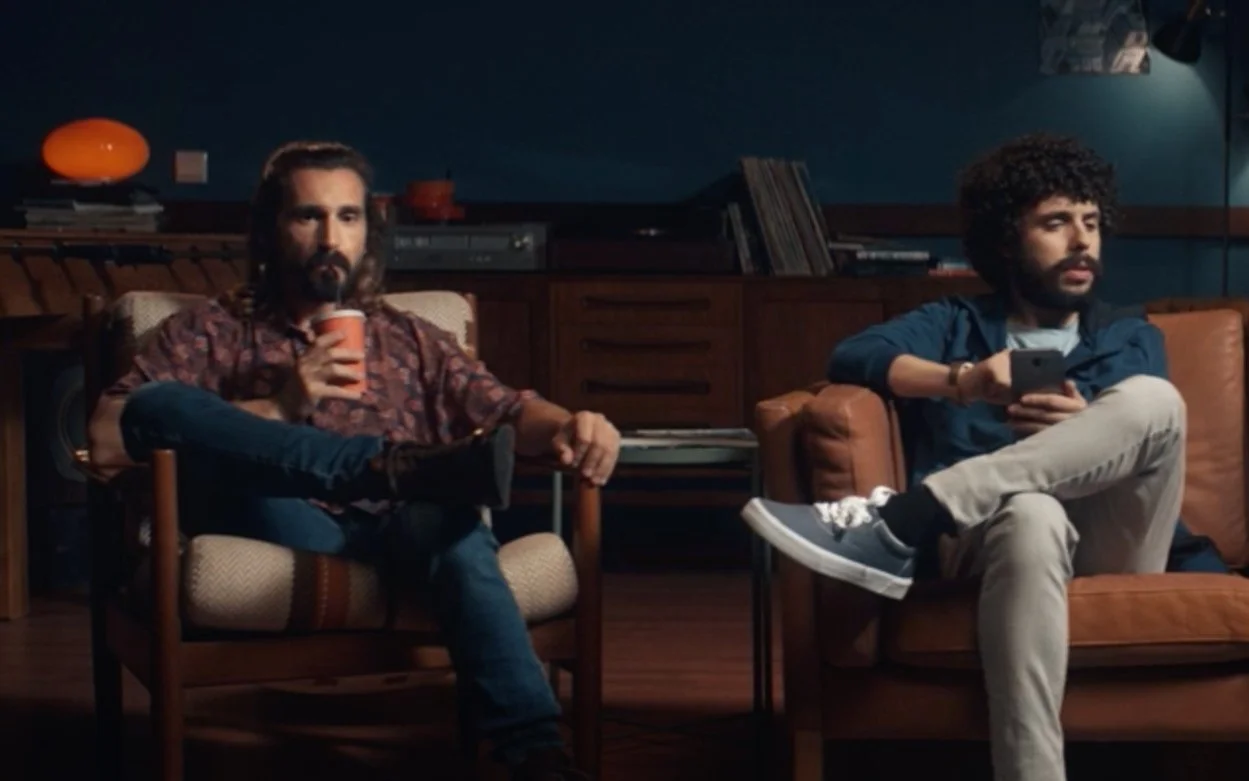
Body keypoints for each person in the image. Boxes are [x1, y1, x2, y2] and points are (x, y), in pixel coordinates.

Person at [87, 140, 620, 781]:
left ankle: (539, 760)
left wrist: (571, 423)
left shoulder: (408, 335)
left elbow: (509, 411)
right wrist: (281, 404)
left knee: (451, 524)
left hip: (406, 520)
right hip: (286, 521)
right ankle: (376, 465)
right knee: (157, 405)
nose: (330, 238)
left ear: (368, 231)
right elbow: (110, 433)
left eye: (348, 216)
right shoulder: (211, 329)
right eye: (308, 216)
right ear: (271, 228)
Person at [739, 133, 1228, 781]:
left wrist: (1087, 424)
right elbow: (853, 356)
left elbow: (1145, 437)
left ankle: (909, 516)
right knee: (1030, 512)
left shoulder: (1126, 333)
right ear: (1005, 238)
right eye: (1055, 223)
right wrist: (963, 381)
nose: (1081, 241)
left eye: (1090, 222)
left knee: (1154, 399)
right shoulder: (953, 323)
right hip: (987, 541)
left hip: (1113, 538)